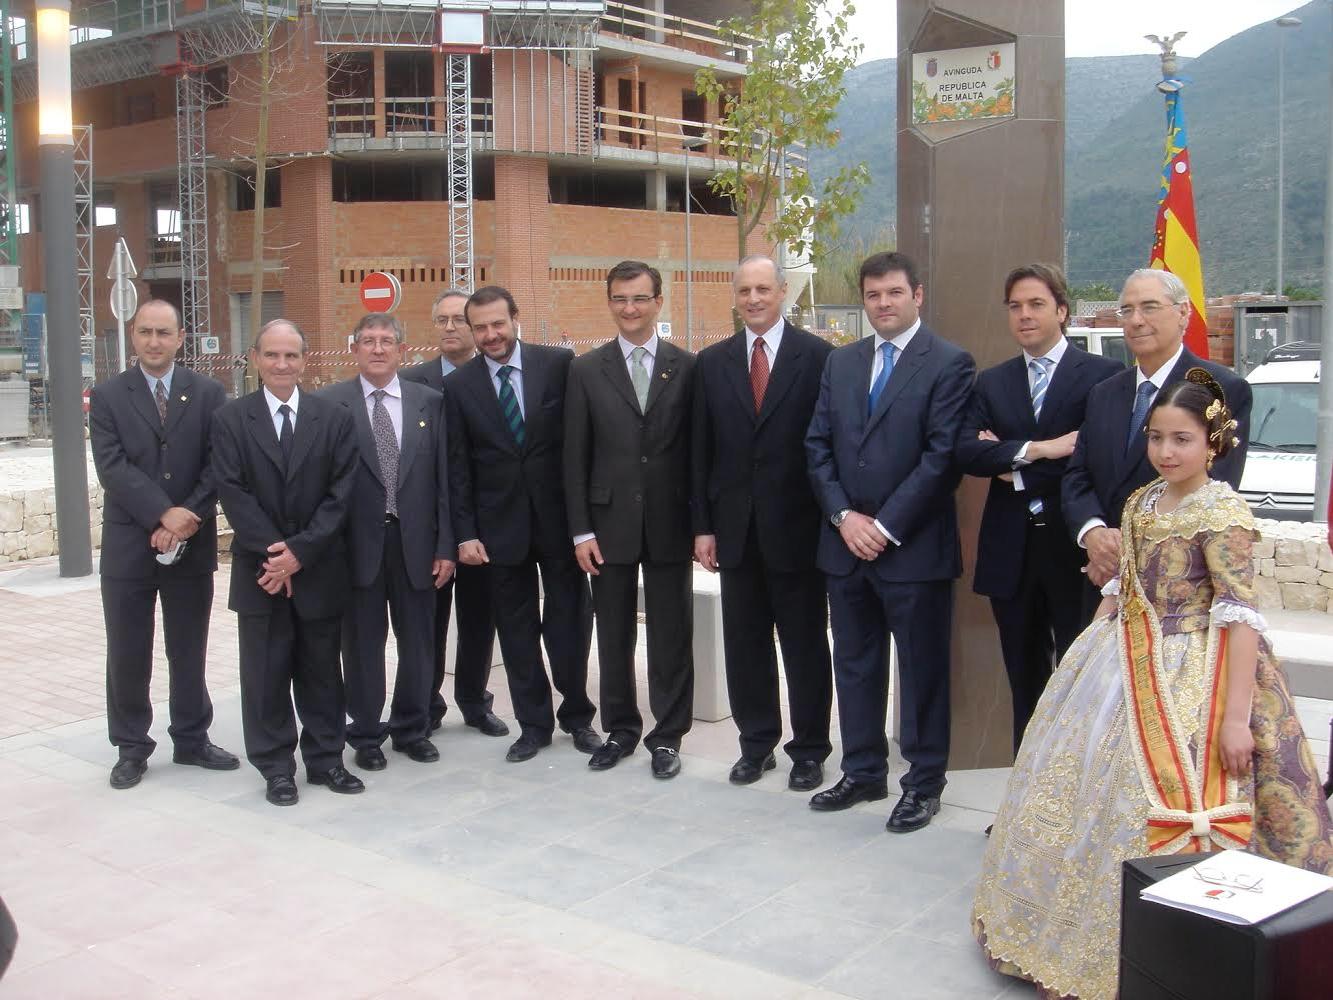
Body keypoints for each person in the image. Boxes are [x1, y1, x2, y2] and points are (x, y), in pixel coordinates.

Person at [973, 370, 1333, 1000]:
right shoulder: (1141, 502)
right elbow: (1124, 584)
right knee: (1080, 778)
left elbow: (1239, 616)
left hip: (1202, 667)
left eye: (1182, 439)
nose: (1166, 451)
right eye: (1157, 437)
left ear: (1213, 442)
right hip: (1123, 657)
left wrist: (1234, 719)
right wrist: (1093, 645)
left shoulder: (1222, 512)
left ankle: (1203, 946)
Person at [804, 251, 975, 832]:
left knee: (921, 672)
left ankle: (924, 784)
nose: (883, 304)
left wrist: (883, 526)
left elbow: (942, 458)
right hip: (845, 546)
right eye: (873, 295)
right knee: (855, 665)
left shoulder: (949, 363)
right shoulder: (842, 362)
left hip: (914, 550)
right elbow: (817, 446)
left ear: (917, 295)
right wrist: (843, 517)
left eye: (894, 293)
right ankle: (862, 771)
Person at [955, 264, 1122, 754]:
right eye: (1015, 307)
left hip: (1075, 552)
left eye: (1036, 304)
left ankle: (1070, 790)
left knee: (1079, 678)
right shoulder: (992, 382)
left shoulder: (1103, 378)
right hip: (1012, 552)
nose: (1024, 315)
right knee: (1023, 679)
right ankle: (1025, 788)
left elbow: (1094, 461)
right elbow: (967, 453)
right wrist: (1046, 448)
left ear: (1062, 310)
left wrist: (1013, 463)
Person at [691, 254, 833, 790]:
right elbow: (701, 451)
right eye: (744, 290)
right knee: (745, 645)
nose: (753, 299)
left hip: (799, 530)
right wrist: (703, 526)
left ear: (782, 293)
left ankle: (810, 750)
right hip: (736, 532)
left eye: (763, 289)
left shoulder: (818, 358)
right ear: (735, 296)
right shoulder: (713, 362)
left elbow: (826, 444)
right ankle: (756, 745)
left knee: (804, 645)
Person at [445, 286, 601, 763]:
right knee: (515, 632)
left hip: (559, 525)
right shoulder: (459, 385)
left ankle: (578, 716)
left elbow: (580, 445)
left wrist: (585, 525)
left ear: (515, 318)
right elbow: (458, 467)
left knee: (570, 625)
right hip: (498, 531)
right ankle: (533, 725)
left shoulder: (558, 365)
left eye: (498, 323)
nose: (491, 334)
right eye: (481, 328)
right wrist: (466, 533)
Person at [211, 319, 363, 806]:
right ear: (255, 359)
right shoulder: (231, 420)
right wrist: (277, 555)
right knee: (266, 674)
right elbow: (232, 492)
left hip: (317, 568)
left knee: (322, 670)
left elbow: (341, 493)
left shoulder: (333, 418)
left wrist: (301, 553)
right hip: (262, 574)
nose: (282, 364)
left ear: (304, 360)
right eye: (272, 355)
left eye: (291, 355)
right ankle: (276, 767)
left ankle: (326, 760)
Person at [89, 299, 238, 789]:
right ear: (133, 335)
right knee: (128, 650)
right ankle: (131, 746)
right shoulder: (108, 396)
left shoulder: (209, 392)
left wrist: (184, 518)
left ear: (180, 338)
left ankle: (192, 738)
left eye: (164, 333)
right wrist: (161, 513)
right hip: (128, 544)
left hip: (191, 542)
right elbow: (112, 466)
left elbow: (219, 463)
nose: (154, 341)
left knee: (188, 647)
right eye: (146, 332)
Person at [565, 260, 697, 779]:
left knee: (671, 637)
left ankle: (668, 738)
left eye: (640, 298)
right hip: (607, 525)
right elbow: (574, 456)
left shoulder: (687, 367)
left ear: (658, 302)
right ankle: (621, 729)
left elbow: (698, 453)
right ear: (609, 303)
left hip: (670, 523)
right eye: (620, 298)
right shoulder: (585, 370)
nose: (630, 308)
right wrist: (581, 529)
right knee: (614, 635)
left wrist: (701, 525)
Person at [1062, 268, 1251, 620]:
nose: (1136, 320)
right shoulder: (1103, 393)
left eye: (1149, 307)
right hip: (1099, 581)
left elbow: (1215, 486)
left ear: (1183, 313)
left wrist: (1128, 552)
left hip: (1176, 594)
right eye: (1127, 310)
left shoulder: (1219, 389)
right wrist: (1094, 534)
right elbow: (1078, 475)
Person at [321, 313, 455, 772]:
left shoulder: (429, 403)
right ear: (354, 349)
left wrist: (446, 545)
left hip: (417, 544)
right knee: (362, 645)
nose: (377, 349)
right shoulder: (330, 403)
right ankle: (365, 733)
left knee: (419, 641)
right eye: (368, 341)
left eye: (386, 341)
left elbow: (444, 480)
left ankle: (412, 728)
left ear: (402, 349)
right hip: (356, 547)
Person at [401, 289, 506, 739]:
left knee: (479, 619)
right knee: (429, 622)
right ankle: (426, 705)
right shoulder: (411, 382)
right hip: (428, 526)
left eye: (458, 319)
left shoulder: (495, 376)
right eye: (441, 319)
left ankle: (475, 702)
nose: (449, 327)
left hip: (483, 523)